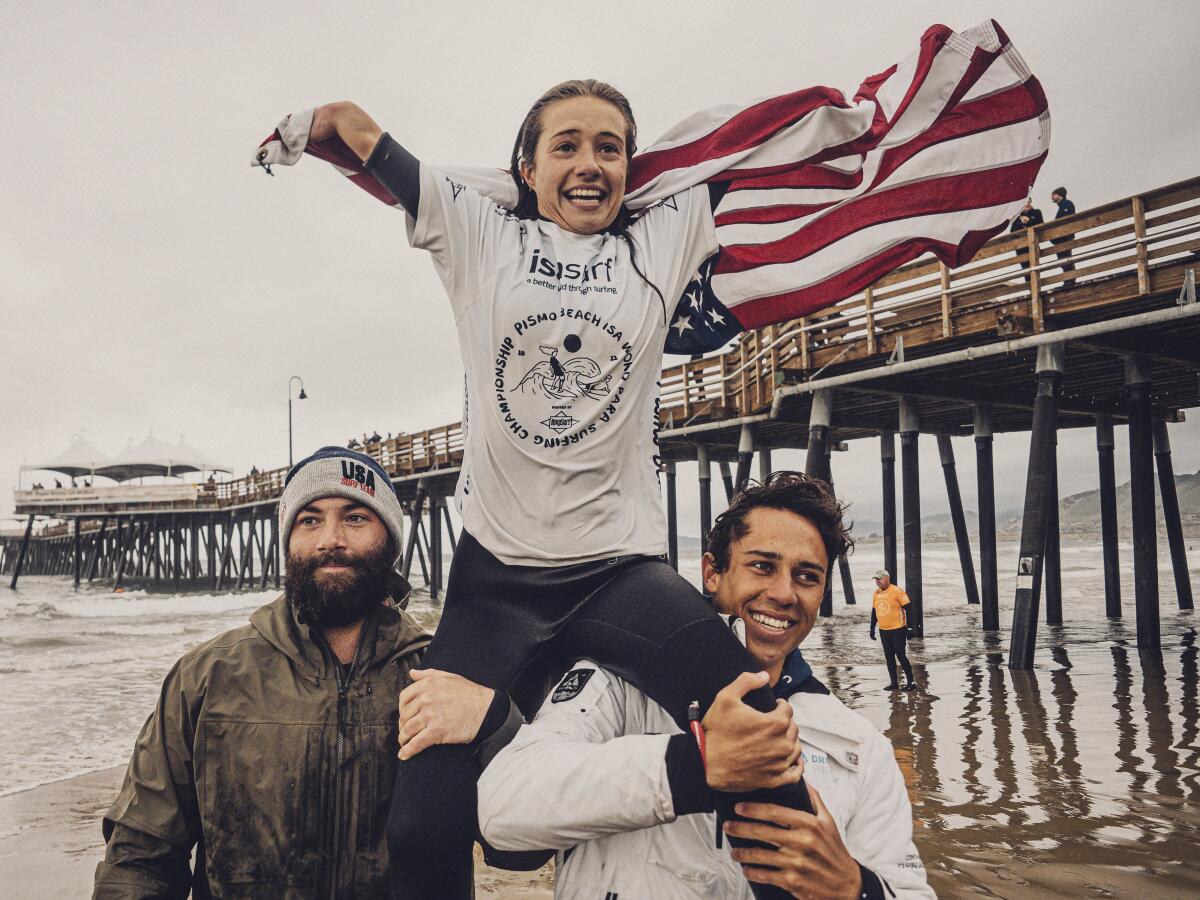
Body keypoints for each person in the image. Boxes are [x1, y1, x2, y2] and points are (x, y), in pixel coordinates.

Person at [259, 24, 1047, 897]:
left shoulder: (661, 240)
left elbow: (757, 147)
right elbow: (380, 152)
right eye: (566, 145)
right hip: (494, 581)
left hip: (618, 571)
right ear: (526, 169)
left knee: (762, 738)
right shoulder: (478, 236)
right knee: (420, 824)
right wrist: (325, 122)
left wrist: (863, 122)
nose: (590, 162)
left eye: (611, 147)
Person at [478, 473, 934, 899]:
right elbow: (503, 809)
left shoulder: (860, 743)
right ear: (712, 573)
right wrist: (692, 768)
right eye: (762, 566)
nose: (783, 593)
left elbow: (910, 887)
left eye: (806, 576)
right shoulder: (622, 685)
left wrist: (853, 887)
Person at [92, 447, 516, 898]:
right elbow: (140, 857)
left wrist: (495, 721)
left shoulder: (442, 677)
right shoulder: (207, 677)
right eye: (309, 520)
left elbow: (517, 849)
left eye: (355, 518)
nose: (329, 538)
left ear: (391, 541)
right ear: (288, 540)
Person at [870, 570, 916, 691]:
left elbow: (909, 610)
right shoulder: (876, 593)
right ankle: (894, 683)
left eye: (879, 578)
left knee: (901, 656)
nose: (877, 581)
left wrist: (910, 627)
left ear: (887, 578)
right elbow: (874, 612)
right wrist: (872, 628)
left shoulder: (897, 591)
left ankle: (911, 682)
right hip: (884, 630)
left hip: (898, 629)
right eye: (876, 579)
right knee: (889, 657)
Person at [1049, 186, 1076, 277]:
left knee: (1066, 259)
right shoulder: (1062, 206)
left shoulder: (1067, 204)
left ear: (1060, 195)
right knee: (1063, 260)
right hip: (1061, 238)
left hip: (1065, 237)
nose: (1052, 196)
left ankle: (1070, 279)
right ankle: (1068, 279)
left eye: (1054, 194)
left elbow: (1067, 220)